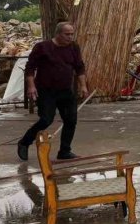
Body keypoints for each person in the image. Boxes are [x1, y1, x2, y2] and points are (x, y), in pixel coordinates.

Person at [17, 22, 89, 161]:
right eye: (66, 34)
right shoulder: (42, 47)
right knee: (46, 119)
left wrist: (83, 86)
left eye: (72, 34)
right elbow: (30, 68)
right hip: (46, 90)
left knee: (71, 119)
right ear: (58, 34)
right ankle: (24, 142)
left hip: (66, 90)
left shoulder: (74, 47)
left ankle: (65, 151)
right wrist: (31, 86)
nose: (70, 37)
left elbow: (79, 67)